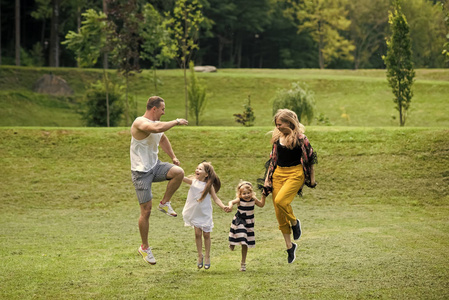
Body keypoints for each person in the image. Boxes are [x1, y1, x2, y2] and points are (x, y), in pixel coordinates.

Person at [131, 96, 188, 265]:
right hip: (140, 172)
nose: (164, 112)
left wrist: (173, 156)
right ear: (154, 108)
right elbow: (155, 130)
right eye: (162, 109)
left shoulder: (158, 125)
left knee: (178, 172)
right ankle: (145, 247)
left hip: (155, 166)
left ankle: (165, 203)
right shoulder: (139, 122)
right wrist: (176, 121)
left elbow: (161, 137)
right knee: (146, 211)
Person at [259, 109, 317, 264]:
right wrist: (267, 180)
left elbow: (310, 158)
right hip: (278, 174)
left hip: (295, 174)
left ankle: (295, 222)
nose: (277, 127)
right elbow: (272, 160)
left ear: (290, 123)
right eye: (276, 125)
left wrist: (312, 179)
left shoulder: (300, 138)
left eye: (280, 124)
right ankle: (290, 246)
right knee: (279, 214)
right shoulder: (277, 137)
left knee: (281, 201)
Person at [182, 162, 230, 270]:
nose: (197, 170)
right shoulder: (193, 182)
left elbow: (216, 198)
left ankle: (207, 256)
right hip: (195, 212)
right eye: (197, 168)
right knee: (197, 234)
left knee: (207, 235)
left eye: (200, 169)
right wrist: (174, 169)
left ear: (206, 174)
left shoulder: (209, 186)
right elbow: (181, 177)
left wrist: (223, 206)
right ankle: (200, 255)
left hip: (205, 213)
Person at [227, 181, 265, 271]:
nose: (247, 195)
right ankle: (232, 242)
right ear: (240, 194)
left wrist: (264, 195)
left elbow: (261, 205)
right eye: (244, 193)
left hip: (249, 223)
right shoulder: (239, 200)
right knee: (242, 235)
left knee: (245, 243)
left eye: (248, 193)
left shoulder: (253, 200)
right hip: (239, 220)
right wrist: (230, 206)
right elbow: (231, 202)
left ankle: (243, 264)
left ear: (252, 192)